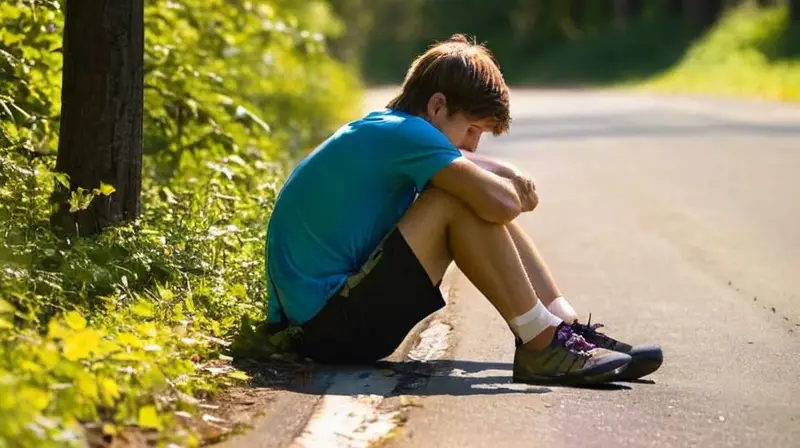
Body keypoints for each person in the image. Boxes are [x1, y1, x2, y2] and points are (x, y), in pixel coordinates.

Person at [265, 34, 662, 385]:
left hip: (327, 325)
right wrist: (512, 187)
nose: (473, 146)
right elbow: (503, 202)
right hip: (331, 329)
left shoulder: (391, 131)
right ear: (438, 106)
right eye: (472, 130)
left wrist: (506, 174)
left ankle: (563, 329)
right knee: (458, 199)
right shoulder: (407, 134)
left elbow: (470, 168)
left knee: (465, 191)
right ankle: (543, 343)